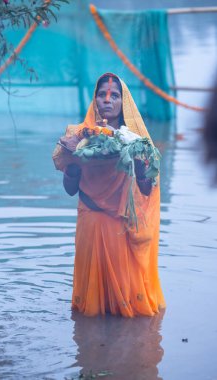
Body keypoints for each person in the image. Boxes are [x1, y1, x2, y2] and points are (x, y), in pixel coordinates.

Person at [53, 73, 165, 317]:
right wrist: (72, 161)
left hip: (121, 224)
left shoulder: (134, 140)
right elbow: (70, 189)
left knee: (127, 305)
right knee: (90, 313)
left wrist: (138, 163)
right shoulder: (78, 136)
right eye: (101, 95)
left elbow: (147, 189)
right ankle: (95, 346)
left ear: (123, 102)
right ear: (94, 100)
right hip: (91, 221)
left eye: (114, 95)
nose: (107, 100)